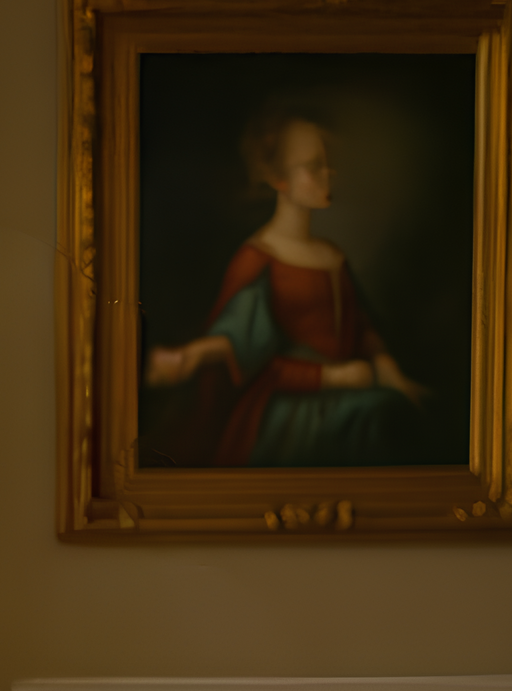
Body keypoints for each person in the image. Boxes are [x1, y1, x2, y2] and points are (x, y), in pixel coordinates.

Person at [143, 112, 427, 468]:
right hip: (290, 411)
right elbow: (243, 343)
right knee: (378, 414)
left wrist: (387, 369)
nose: (328, 174)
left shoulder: (333, 256)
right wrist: (196, 354)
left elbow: (361, 325)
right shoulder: (259, 258)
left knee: (397, 416)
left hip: (348, 395)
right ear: (279, 179)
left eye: (327, 164)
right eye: (314, 166)